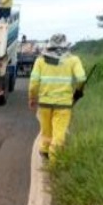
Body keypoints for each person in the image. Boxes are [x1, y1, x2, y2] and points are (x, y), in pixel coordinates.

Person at [28, 34, 86, 162]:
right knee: (59, 134)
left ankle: (44, 150)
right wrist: (78, 91)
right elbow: (81, 78)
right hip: (64, 104)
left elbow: (33, 83)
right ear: (66, 46)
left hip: (44, 103)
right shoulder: (73, 60)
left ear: (49, 46)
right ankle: (54, 162)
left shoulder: (40, 60)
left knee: (46, 130)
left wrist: (32, 98)